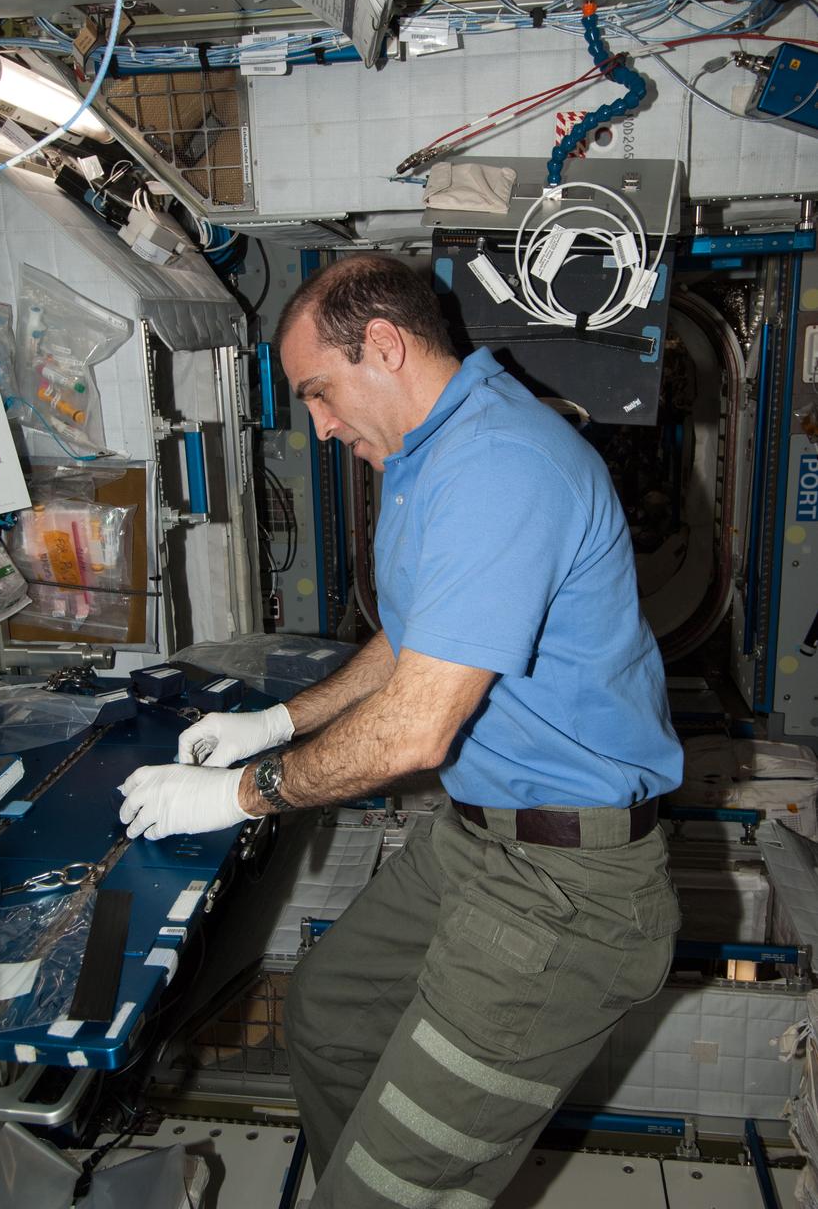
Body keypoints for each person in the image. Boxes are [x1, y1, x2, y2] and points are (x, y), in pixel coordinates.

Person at [119, 253, 683, 1209]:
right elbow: (417, 636)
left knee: (391, 1187)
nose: (322, 426)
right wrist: (274, 721)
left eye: (321, 393)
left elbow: (418, 730)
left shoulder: (500, 463)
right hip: (477, 847)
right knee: (332, 1017)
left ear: (384, 345)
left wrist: (239, 795)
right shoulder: (435, 454)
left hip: (566, 894)